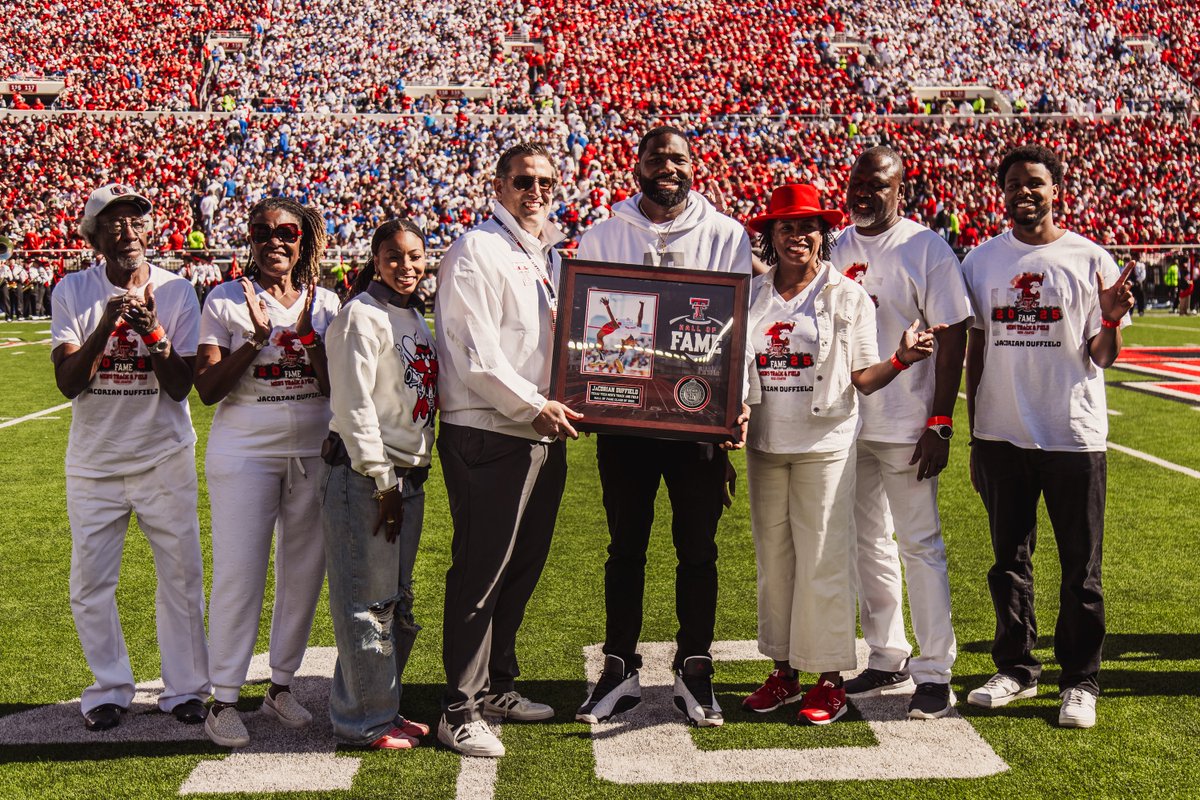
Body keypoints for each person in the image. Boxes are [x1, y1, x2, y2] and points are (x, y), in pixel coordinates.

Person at [739, 184, 938, 724]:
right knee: (775, 564)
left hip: (825, 444)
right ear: (770, 235)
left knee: (825, 562)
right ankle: (783, 670)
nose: (797, 236)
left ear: (823, 235)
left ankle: (828, 678)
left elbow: (863, 379)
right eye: (786, 226)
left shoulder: (846, 295)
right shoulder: (752, 294)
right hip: (765, 444)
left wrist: (899, 361)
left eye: (808, 227)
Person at [574, 126, 752, 729]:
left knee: (697, 548)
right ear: (639, 164)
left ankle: (694, 665)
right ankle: (620, 665)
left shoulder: (726, 234)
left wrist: (736, 406)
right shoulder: (603, 232)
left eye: (678, 157)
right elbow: (588, 328)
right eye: (657, 157)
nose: (667, 167)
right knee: (625, 546)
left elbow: (741, 329)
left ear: (693, 164)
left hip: (696, 421)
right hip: (624, 419)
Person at [963, 145, 1135, 729]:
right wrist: (973, 431)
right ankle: (1015, 668)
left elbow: (1102, 356)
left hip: (1072, 435)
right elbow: (977, 346)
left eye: (1035, 182)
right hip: (1001, 434)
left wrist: (1109, 318)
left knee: (1080, 566)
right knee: (1008, 562)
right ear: (1002, 192)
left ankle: (1080, 680)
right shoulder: (981, 261)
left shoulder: (1090, 258)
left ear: (1055, 190)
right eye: (1013, 183)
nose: (1024, 192)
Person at [434, 143, 582, 757]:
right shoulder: (478, 249)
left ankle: (496, 684)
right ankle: (457, 707)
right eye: (524, 181)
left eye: (547, 182)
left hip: (541, 429)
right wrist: (537, 404)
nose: (536, 191)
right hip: (490, 428)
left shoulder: (549, 253)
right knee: (481, 570)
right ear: (498, 186)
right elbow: (477, 357)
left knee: (520, 568)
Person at [50, 184, 209, 731]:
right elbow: (69, 383)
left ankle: (187, 689)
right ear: (94, 237)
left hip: (164, 455)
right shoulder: (73, 290)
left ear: (149, 230)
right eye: (113, 222)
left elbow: (178, 387)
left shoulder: (178, 291)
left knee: (182, 576)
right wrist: (106, 328)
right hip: (94, 462)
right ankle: (109, 688)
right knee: (90, 582)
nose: (127, 231)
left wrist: (153, 330)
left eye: (135, 220)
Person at [829, 147, 972, 720]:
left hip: (907, 421)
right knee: (867, 543)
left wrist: (940, 421)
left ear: (900, 191)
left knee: (920, 545)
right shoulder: (836, 244)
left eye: (877, 184)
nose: (864, 192)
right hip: (846, 423)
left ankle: (936, 671)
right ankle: (887, 653)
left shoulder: (925, 247)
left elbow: (954, 333)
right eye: (857, 182)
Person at [193, 197, 338, 748]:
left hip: (312, 451)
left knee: (303, 571)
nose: (275, 241)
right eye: (263, 232)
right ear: (250, 239)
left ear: (305, 241)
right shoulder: (225, 299)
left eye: (287, 233)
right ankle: (223, 696)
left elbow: (335, 389)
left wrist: (306, 340)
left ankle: (280, 685)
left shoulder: (325, 303)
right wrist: (254, 339)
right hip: (244, 452)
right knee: (240, 571)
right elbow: (206, 390)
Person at [322, 219, 439, 750]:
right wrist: (383, 479)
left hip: (405, 473)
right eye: (394, 256)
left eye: (416, 256)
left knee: (395, 602)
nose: (407, 266)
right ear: (375, 258)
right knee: (369, 603)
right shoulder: (359, 317)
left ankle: (381, 706)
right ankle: (361, 721)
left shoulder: (410, 314)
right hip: (370, 476)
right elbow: (353, 406)